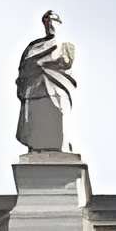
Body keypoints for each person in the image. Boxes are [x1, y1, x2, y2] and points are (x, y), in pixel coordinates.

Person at [13, 10, 77, 154]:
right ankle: (37, 148)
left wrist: (42, 62)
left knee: (58, 116)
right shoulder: (34, 46)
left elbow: (65, 61)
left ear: (59, 23)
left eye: (53, 20)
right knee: (38, 121)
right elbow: (25, 67)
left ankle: (62, 148)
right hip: (35, 90)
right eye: (46, 20)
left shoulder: (65, 45)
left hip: (57, 87)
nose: (50, 23)